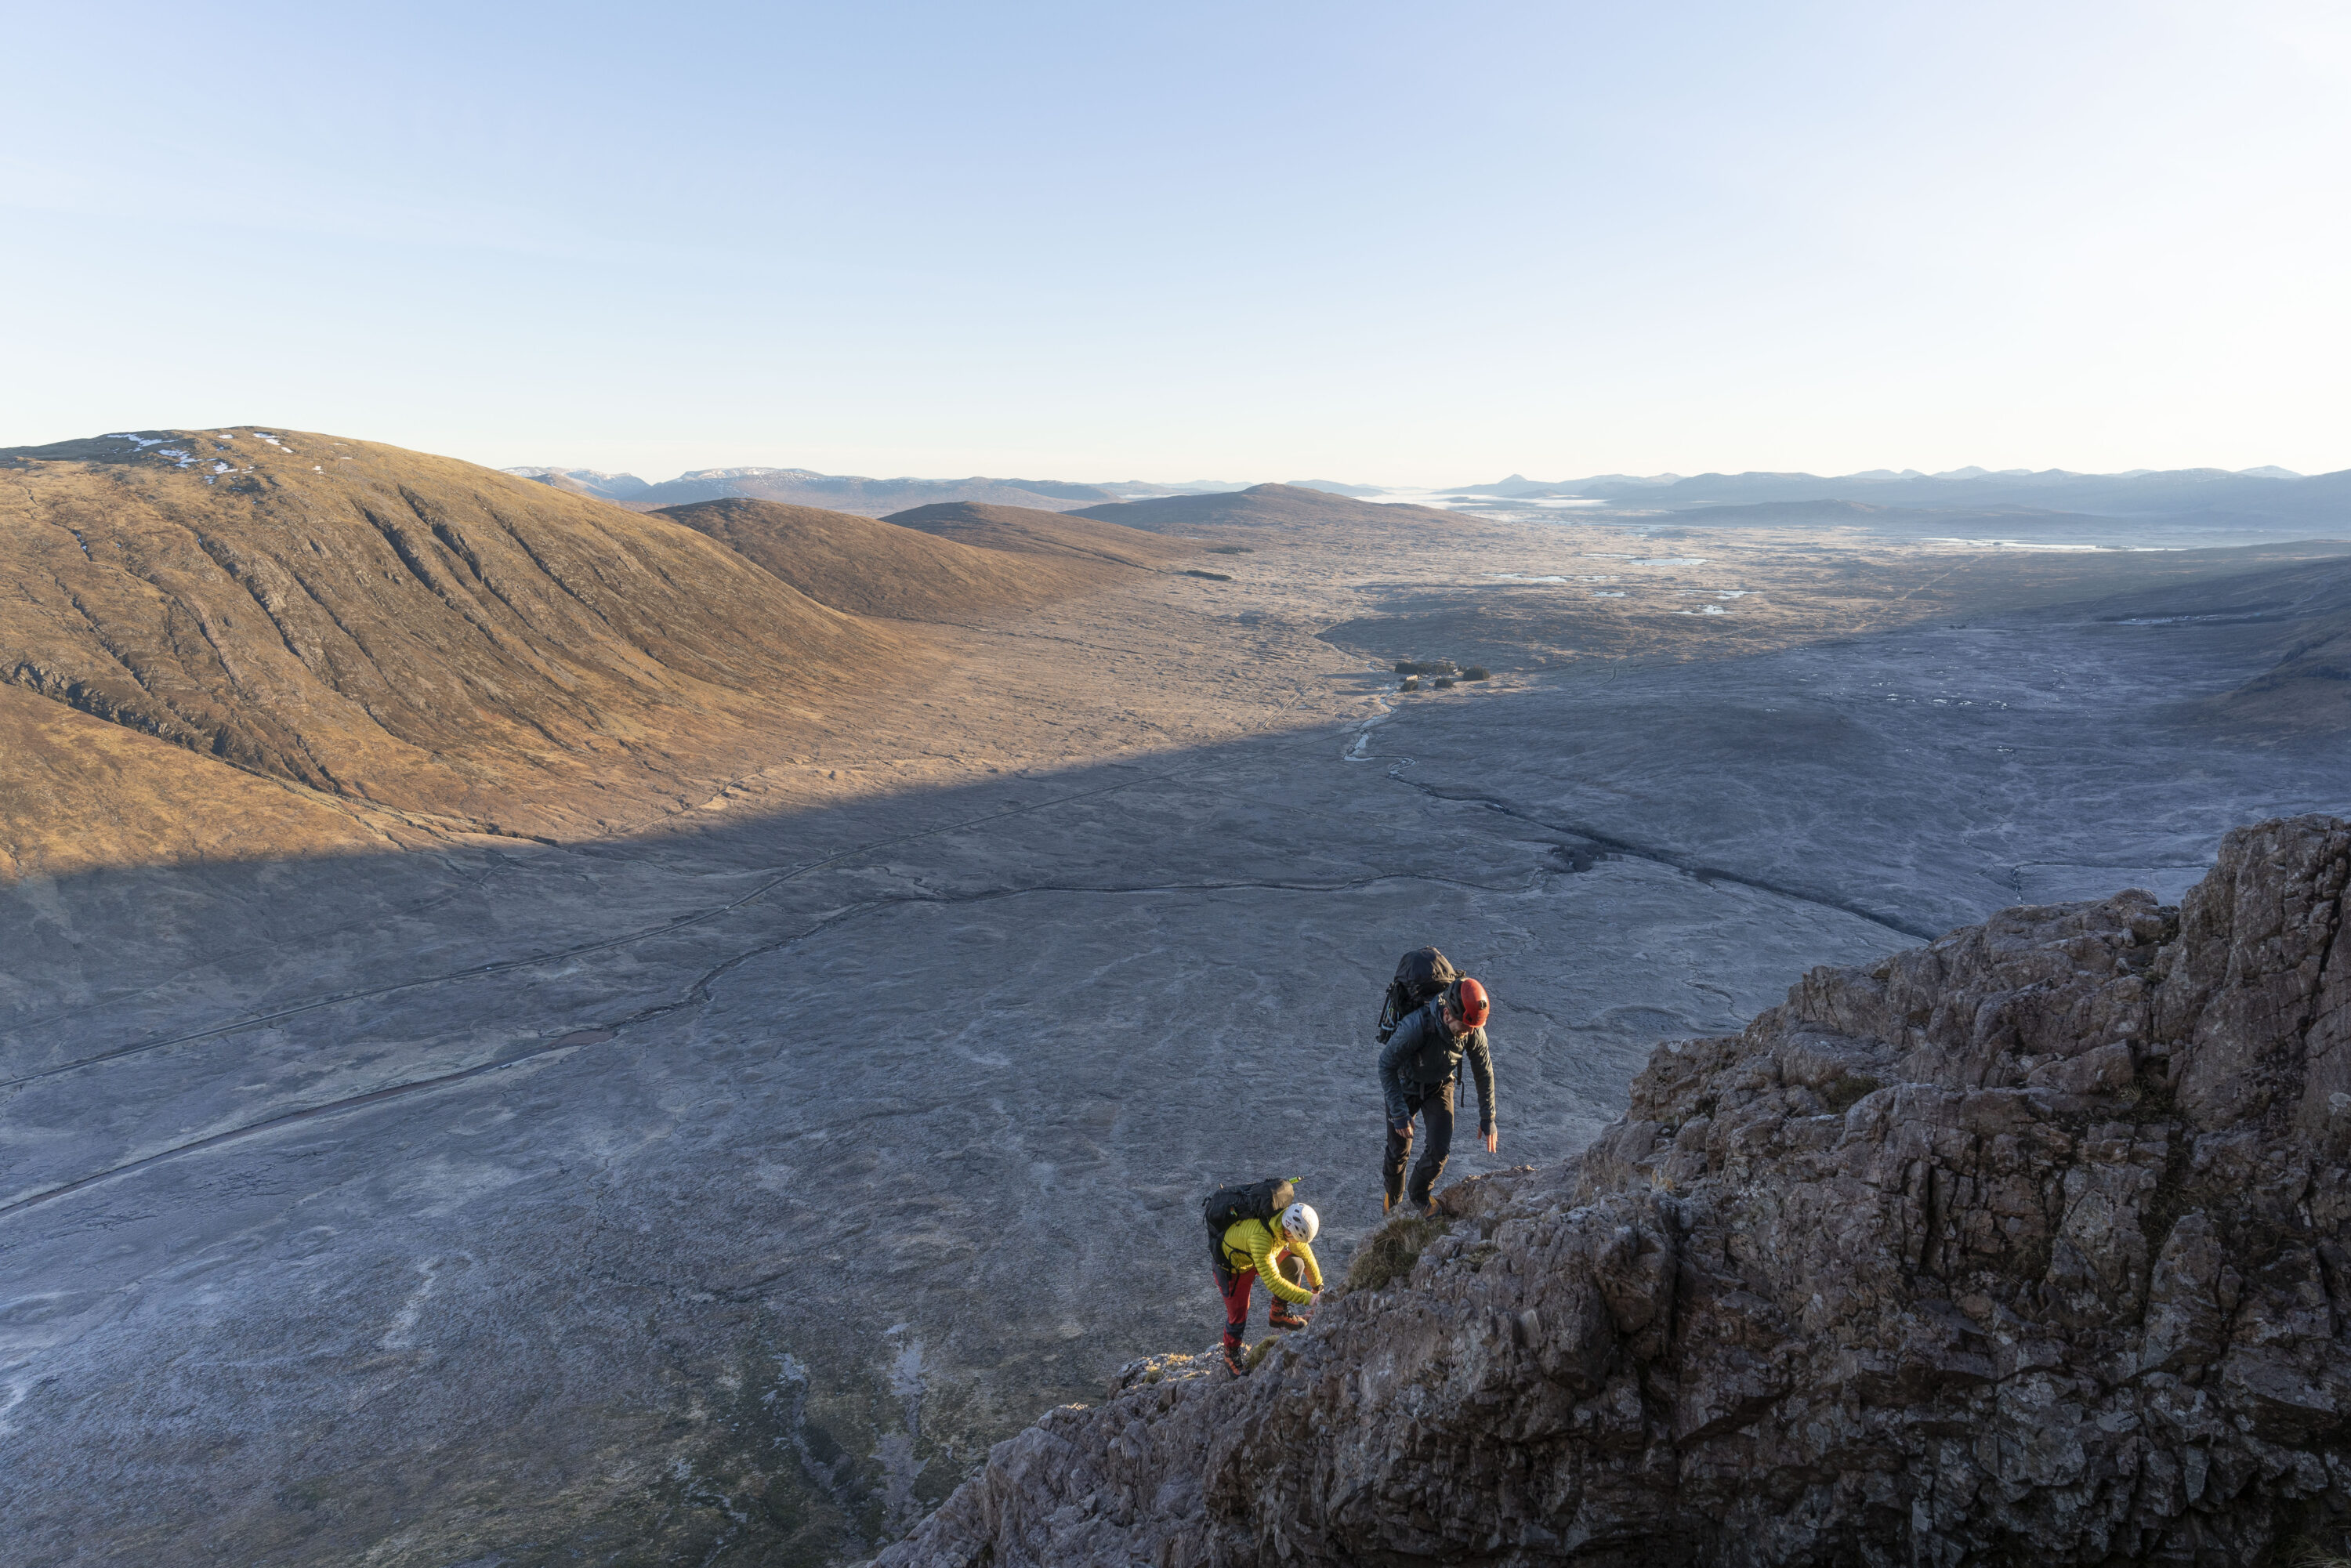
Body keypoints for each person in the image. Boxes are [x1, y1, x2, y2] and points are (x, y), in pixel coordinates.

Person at [1378, 975, 1497, 1215]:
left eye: (1471, 1030)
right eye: (1463, 1029)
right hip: (1405, 1086)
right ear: (1447, 1015)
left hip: (1439, 1085)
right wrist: (1400, 1113)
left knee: (1440, 1149)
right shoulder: (1416, 1027)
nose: (1467, 1034)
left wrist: (1488, 1118)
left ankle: (1419, 1193)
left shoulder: (1472, 1028)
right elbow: (1386, 1065)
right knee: (1398, 1150)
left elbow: (1483, 1071)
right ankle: (1393, 1199)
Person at [1213, 1200, 1323, 1376]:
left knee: (1294, 1264)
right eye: (1296, 1238)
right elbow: (1274, 1281)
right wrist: (1310, 1298)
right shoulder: (1261, 1237)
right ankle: (1230, 1355)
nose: (1297, 1242)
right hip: (1234, 1267)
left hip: (1255, 1254)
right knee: (1238, 1315)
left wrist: (1317, 1286)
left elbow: (1304, 1251)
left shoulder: (1283, 1222)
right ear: (1288, 1232)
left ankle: (1278, 1313)